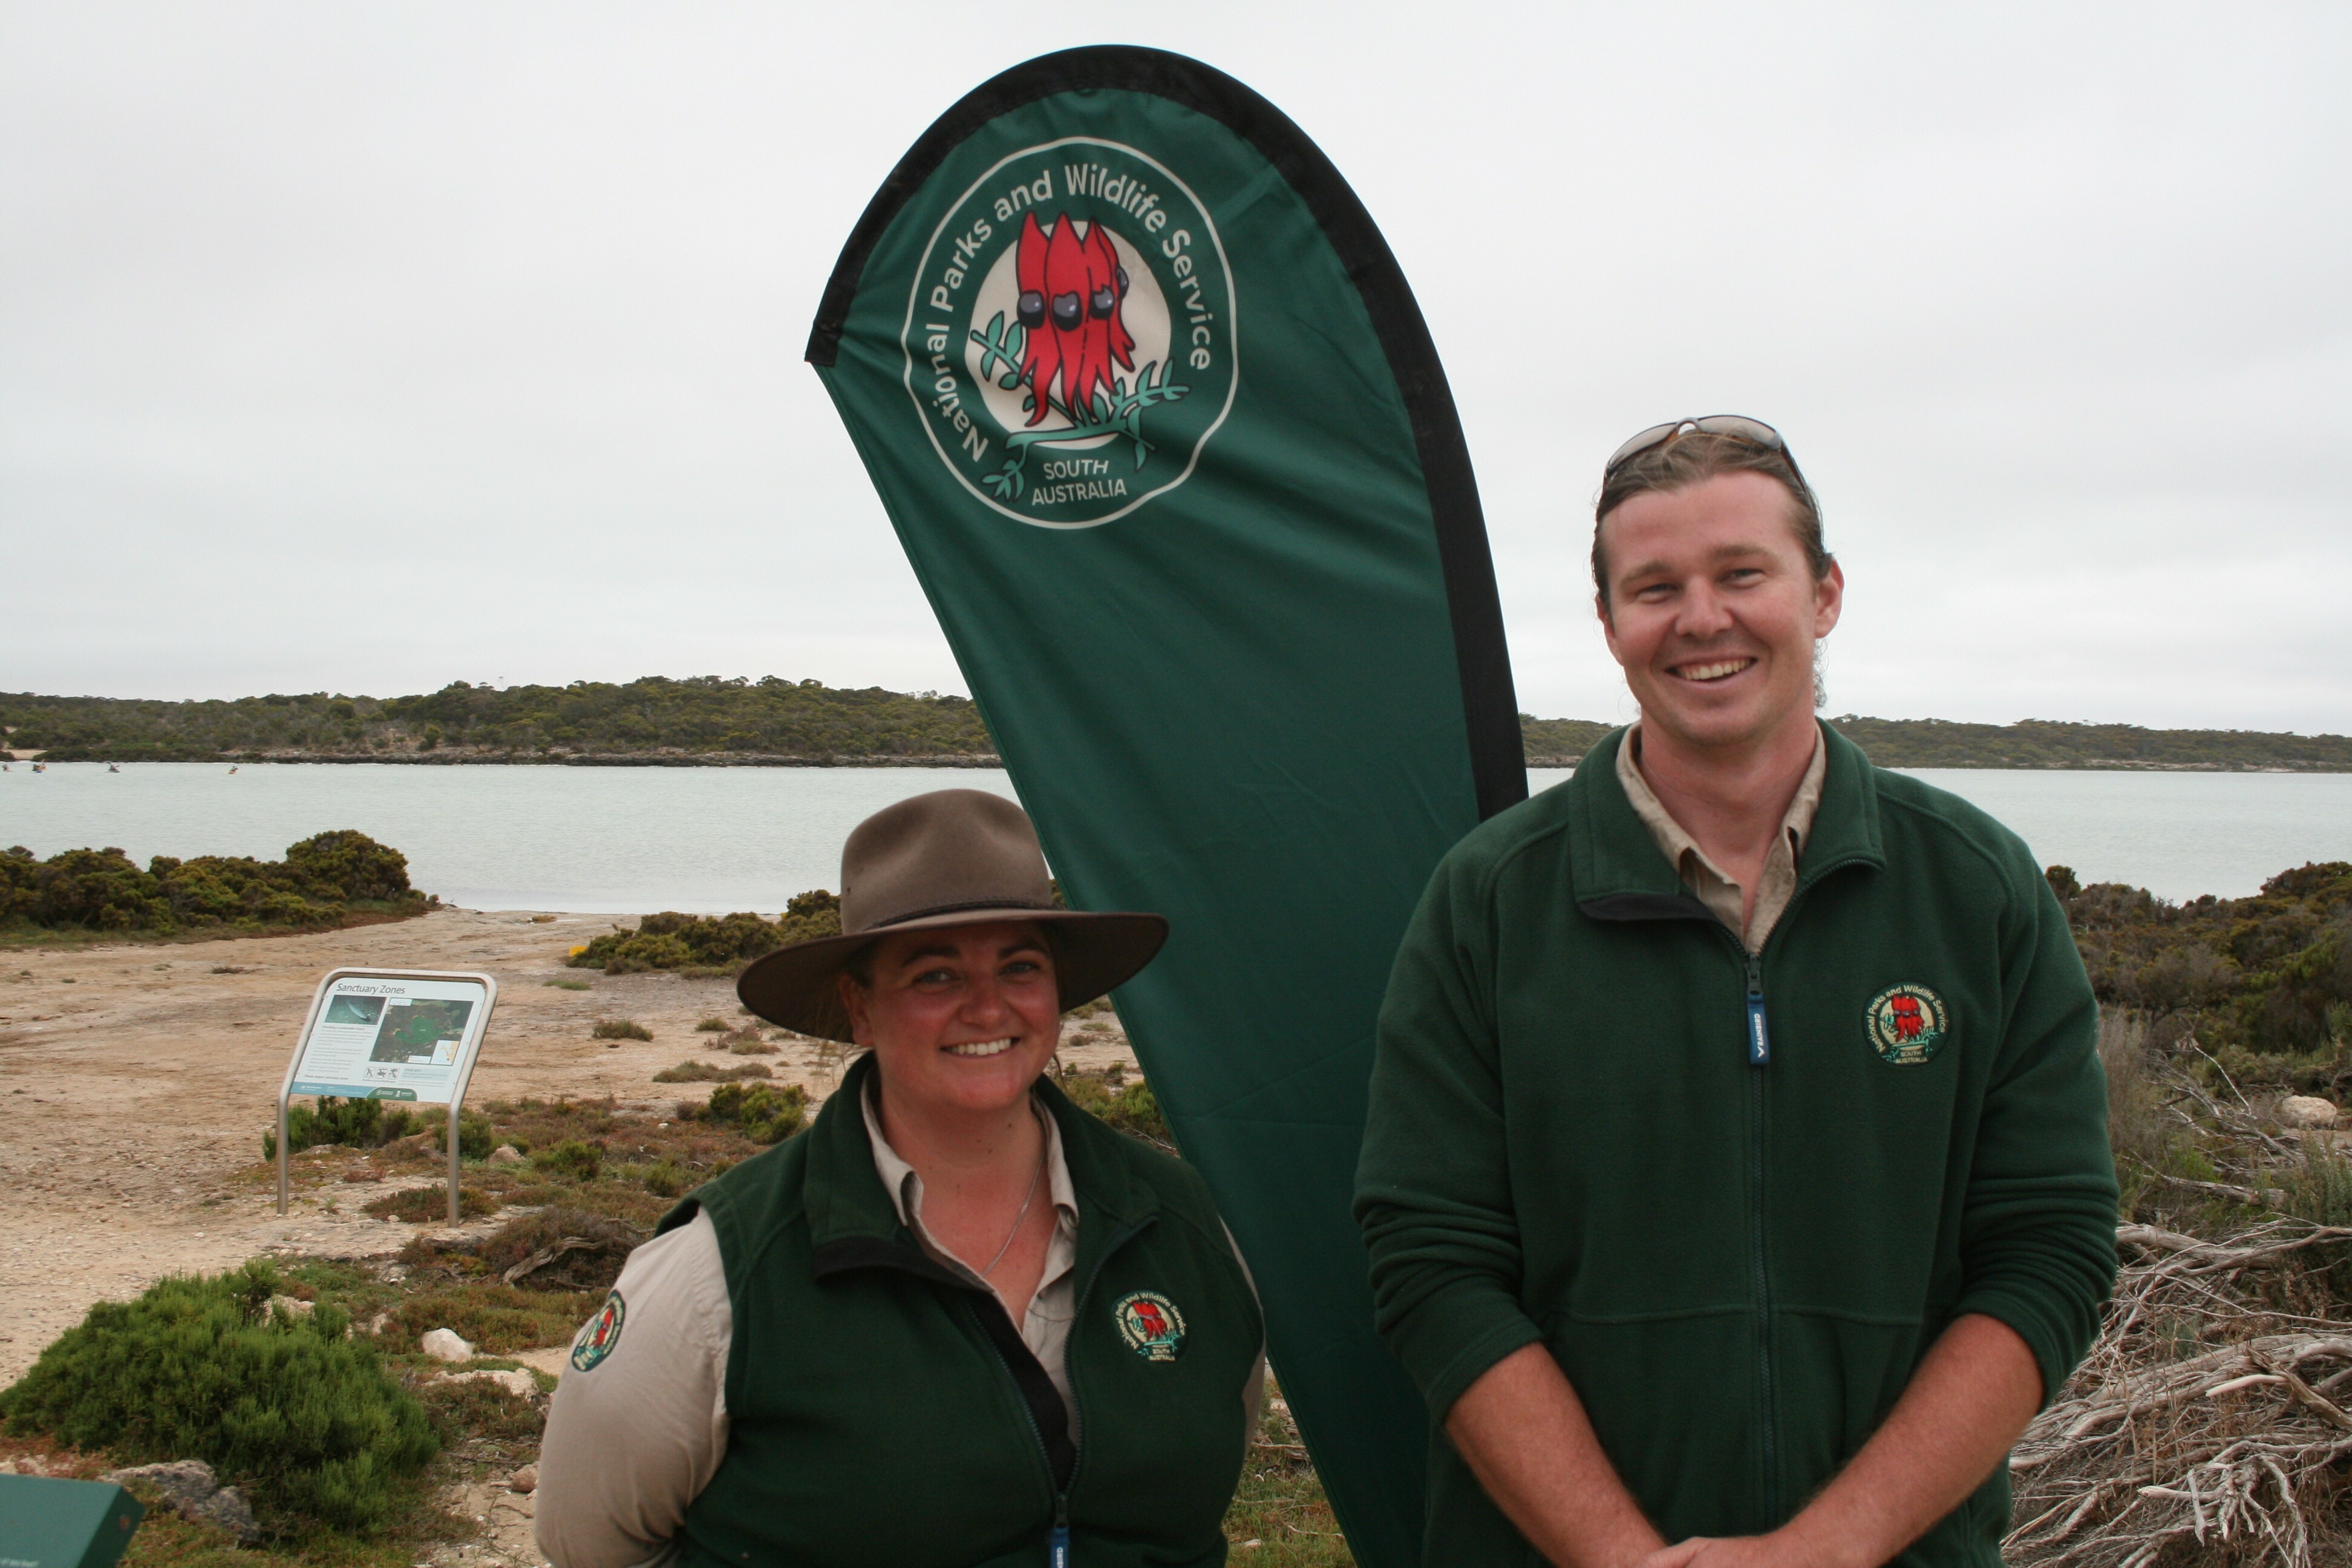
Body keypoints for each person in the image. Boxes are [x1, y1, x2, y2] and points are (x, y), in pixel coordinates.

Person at [1354, 418, 2118, 1568]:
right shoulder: (1492, 901)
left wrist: (1831, 1547)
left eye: (1742, 574)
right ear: (1610, 625)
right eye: (1654, 587)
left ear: (1824, 595)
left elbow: (2049, 1248)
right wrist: (1617, 1554)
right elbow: (1430, 1259)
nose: (1701, 618)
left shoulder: (1978, 888)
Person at [538, 788, 1264, 1568]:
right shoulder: (722, 1274)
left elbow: (1223, 1438)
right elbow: (586, 1542)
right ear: (859, 1009)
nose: (988, 1008)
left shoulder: (1177, 1223)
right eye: (935, 976)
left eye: (1020, 966)